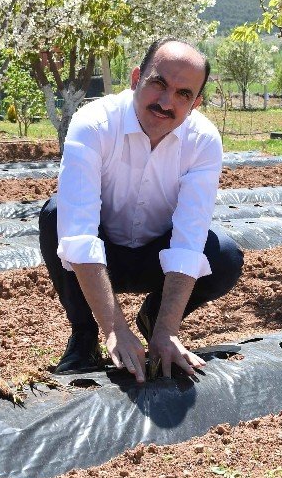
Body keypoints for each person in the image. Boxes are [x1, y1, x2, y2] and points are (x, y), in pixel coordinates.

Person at [39, 38, 244, 383]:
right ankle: (85, 337)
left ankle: (153, 320)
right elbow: (79, 235)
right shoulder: (93, 123)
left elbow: (189, 236)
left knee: (223, 255)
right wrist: (114, 329)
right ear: (136, 79)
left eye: (183, 94)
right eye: (158, 84)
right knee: (55, 215)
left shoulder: (204, 140)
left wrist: (166, 328)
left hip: (155, 258)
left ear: (196, 103)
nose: (166, 102)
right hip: (102, 259)